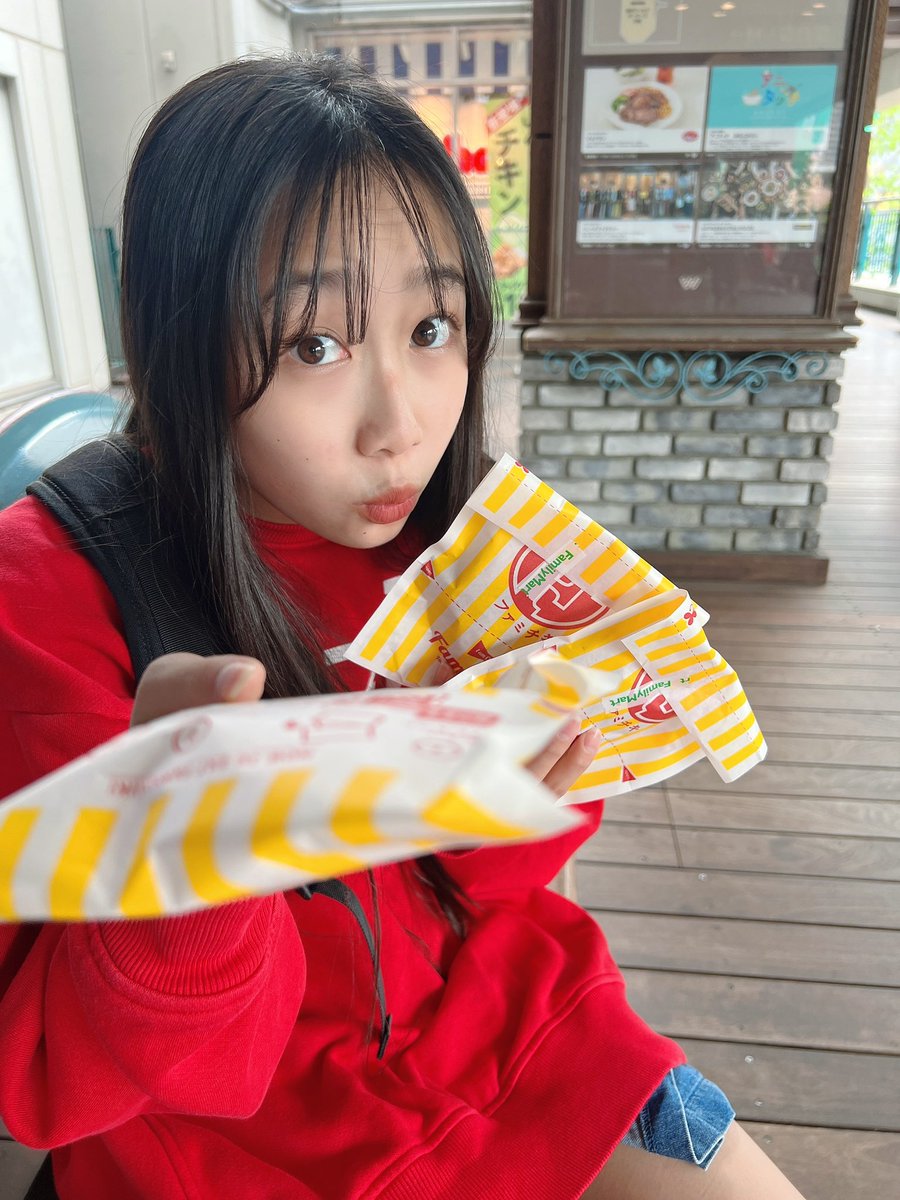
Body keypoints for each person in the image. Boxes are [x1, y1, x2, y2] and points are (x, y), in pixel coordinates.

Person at [0, 55, 806, 1200]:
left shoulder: (467, 545)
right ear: (176, 336)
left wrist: (505, 803)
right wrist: (182, 884)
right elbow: (57, 1076)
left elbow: (500, 895)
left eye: (431, 326)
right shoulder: (50, 593)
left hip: (525, 1037)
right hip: (247, 1145)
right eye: (313, 346)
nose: (402, 426)